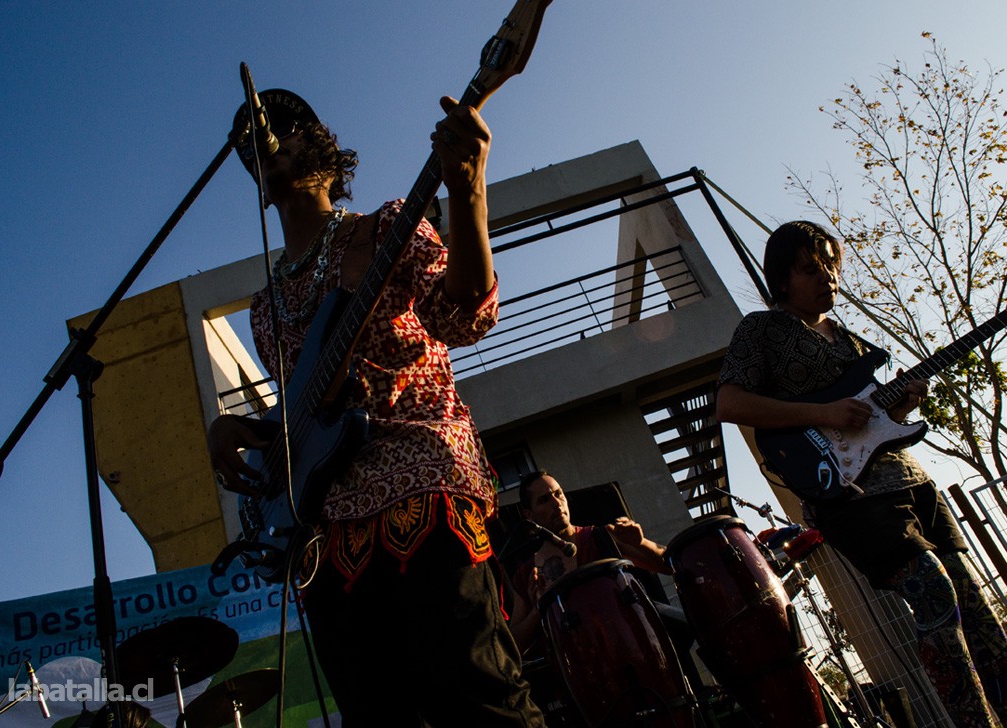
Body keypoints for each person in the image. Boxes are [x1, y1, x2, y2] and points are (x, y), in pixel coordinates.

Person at [208, 89, 543, 727]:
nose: (265, 143)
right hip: (325, 536)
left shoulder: (382, 229)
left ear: (322, 145)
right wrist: (240, 427)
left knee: (478, 700)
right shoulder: (264, 306)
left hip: (421, 482)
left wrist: (469, 189)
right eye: (253, 140)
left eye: (282, 127)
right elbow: (306, 414)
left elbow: (463, 316)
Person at [714, 221, 1007, 728]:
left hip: (911, 480)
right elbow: (729, 402)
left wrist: (904, 407)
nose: (826, 276)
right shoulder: (762, 330)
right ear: (781, 281)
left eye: (830, 264)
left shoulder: (850, 340)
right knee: (934, 592)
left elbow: (879, 419)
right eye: (809, 268)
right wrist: (823, 415)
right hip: (850, 495)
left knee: (975, 608)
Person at [507, 471, 671, 654]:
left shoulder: (601, 537)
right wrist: (540, 608)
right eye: (544, 500)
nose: (556, 503)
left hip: (635, 651)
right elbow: (513, 647)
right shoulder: (526, 573)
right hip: (577, 671)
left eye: (558, 494)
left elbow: (670, 564)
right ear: (529, 515)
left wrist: (641, 543)